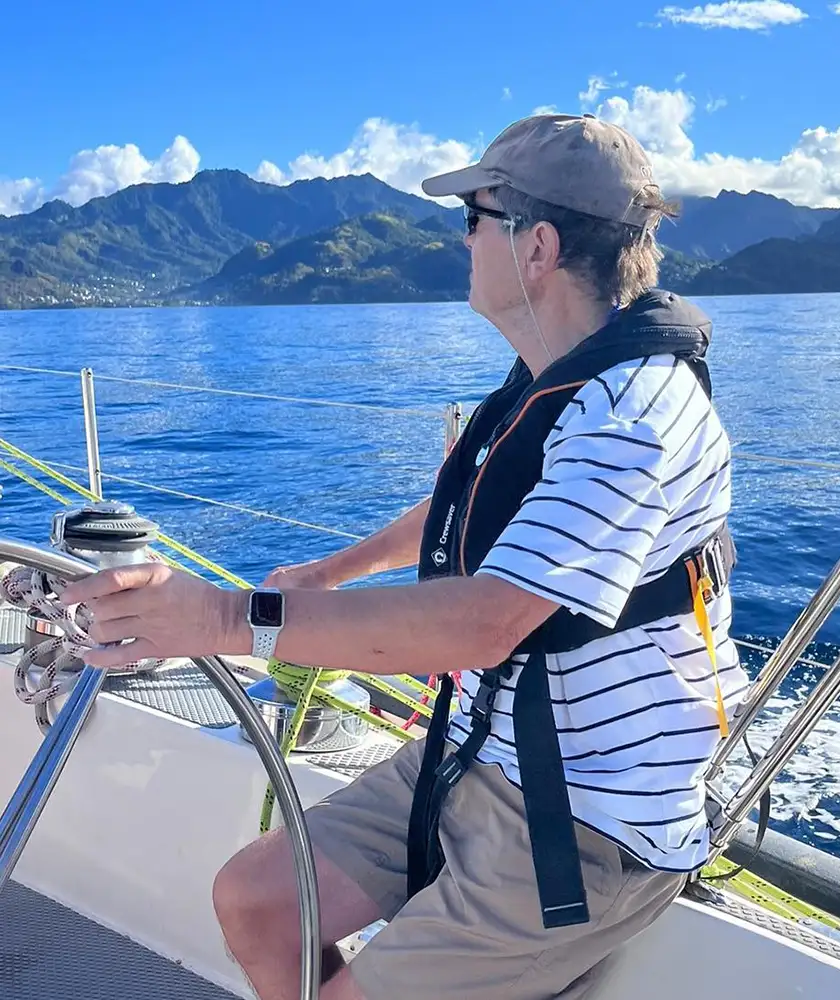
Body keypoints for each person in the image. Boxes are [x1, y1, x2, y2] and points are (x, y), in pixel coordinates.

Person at [62, 113, 749, 1000]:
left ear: (535, 245)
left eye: (473, 219)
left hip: (581, 820)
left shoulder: (634, 412)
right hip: (473, 753)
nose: (461, 240)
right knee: (255, 901)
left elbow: (482, 623)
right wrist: (333, 572)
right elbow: (473, 503)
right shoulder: (556, 373)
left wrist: (221, 618)